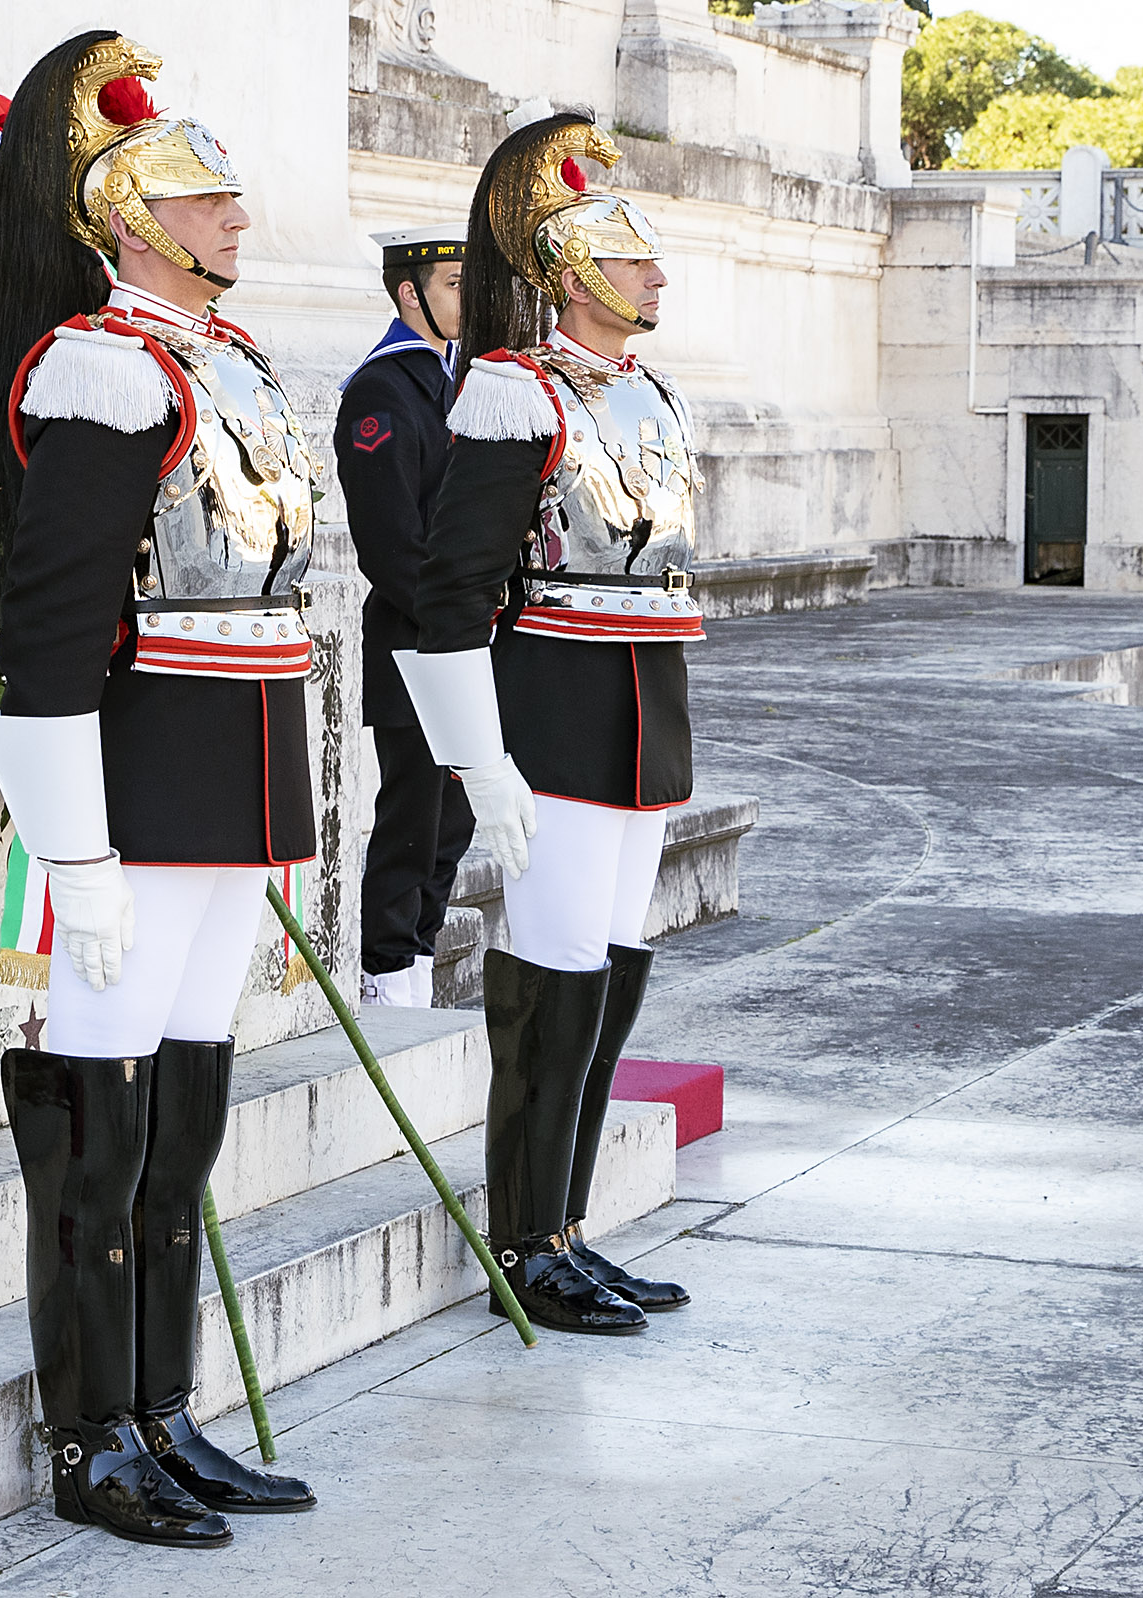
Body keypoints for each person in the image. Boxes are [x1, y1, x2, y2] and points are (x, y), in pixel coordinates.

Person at [0, 31, 316, 1547]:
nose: (236, 216)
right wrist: (77, 856)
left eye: (234, 193)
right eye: (201, 197)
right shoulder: (104, 366)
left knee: (181, 1118)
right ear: (125, 218)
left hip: (232, 780)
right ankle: (88, 1434)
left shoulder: (222, 360)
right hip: (139, 785)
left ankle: (165, 1408)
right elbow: (48, 630)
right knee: (100, 1125)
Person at [397, 105, 699, 1334]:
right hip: (558, 713)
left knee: (614, 974)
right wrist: (480, 760)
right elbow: (446, 592)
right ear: (572, 272)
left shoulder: (648, 392)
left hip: (643, 713)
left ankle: (570, 1225)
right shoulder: (515, 397)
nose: (656, 274)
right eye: (633, 258)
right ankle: (525, 1238)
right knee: (554, 973)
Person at [340, 225, 474, 1007]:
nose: (465, 298)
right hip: (415, 647)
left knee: (450, 826)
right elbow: (391, 547)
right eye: (453, 284)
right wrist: (456, 620)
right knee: (412, 821)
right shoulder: (381, 391)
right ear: (409, 294)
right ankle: (387, 978)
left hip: (461, 647)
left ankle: (416, 964)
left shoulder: (455, 381)